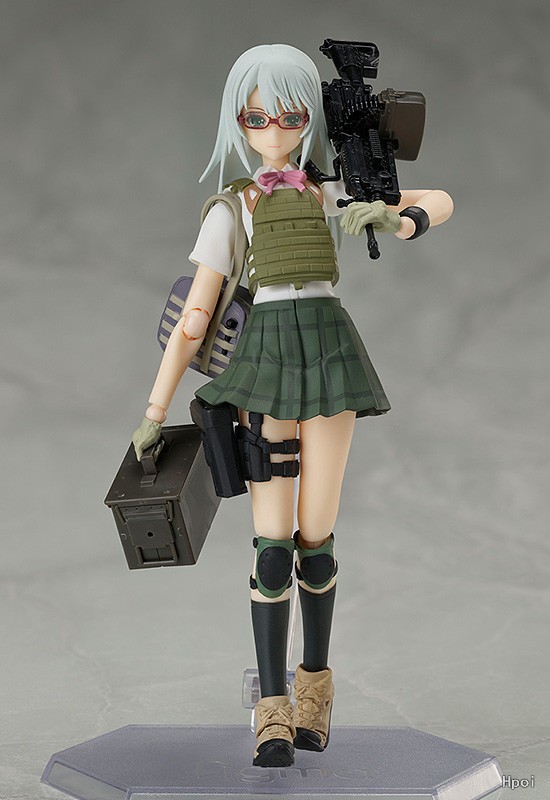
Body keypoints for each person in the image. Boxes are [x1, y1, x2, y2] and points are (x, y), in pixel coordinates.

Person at [132, 43, 453, 768]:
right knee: (273, 545)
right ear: (238, 123)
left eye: (290, 115)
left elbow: (439, 198)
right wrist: (155, 409)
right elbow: (193, 318)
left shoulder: (329, 192)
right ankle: (272, 709)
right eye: (257, 117)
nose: (273, 130)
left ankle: (316, 693)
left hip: (331, 354)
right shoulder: (234, 208)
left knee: (316, 538)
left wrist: (399, 220)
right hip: (267, 360)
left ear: (312, 120)